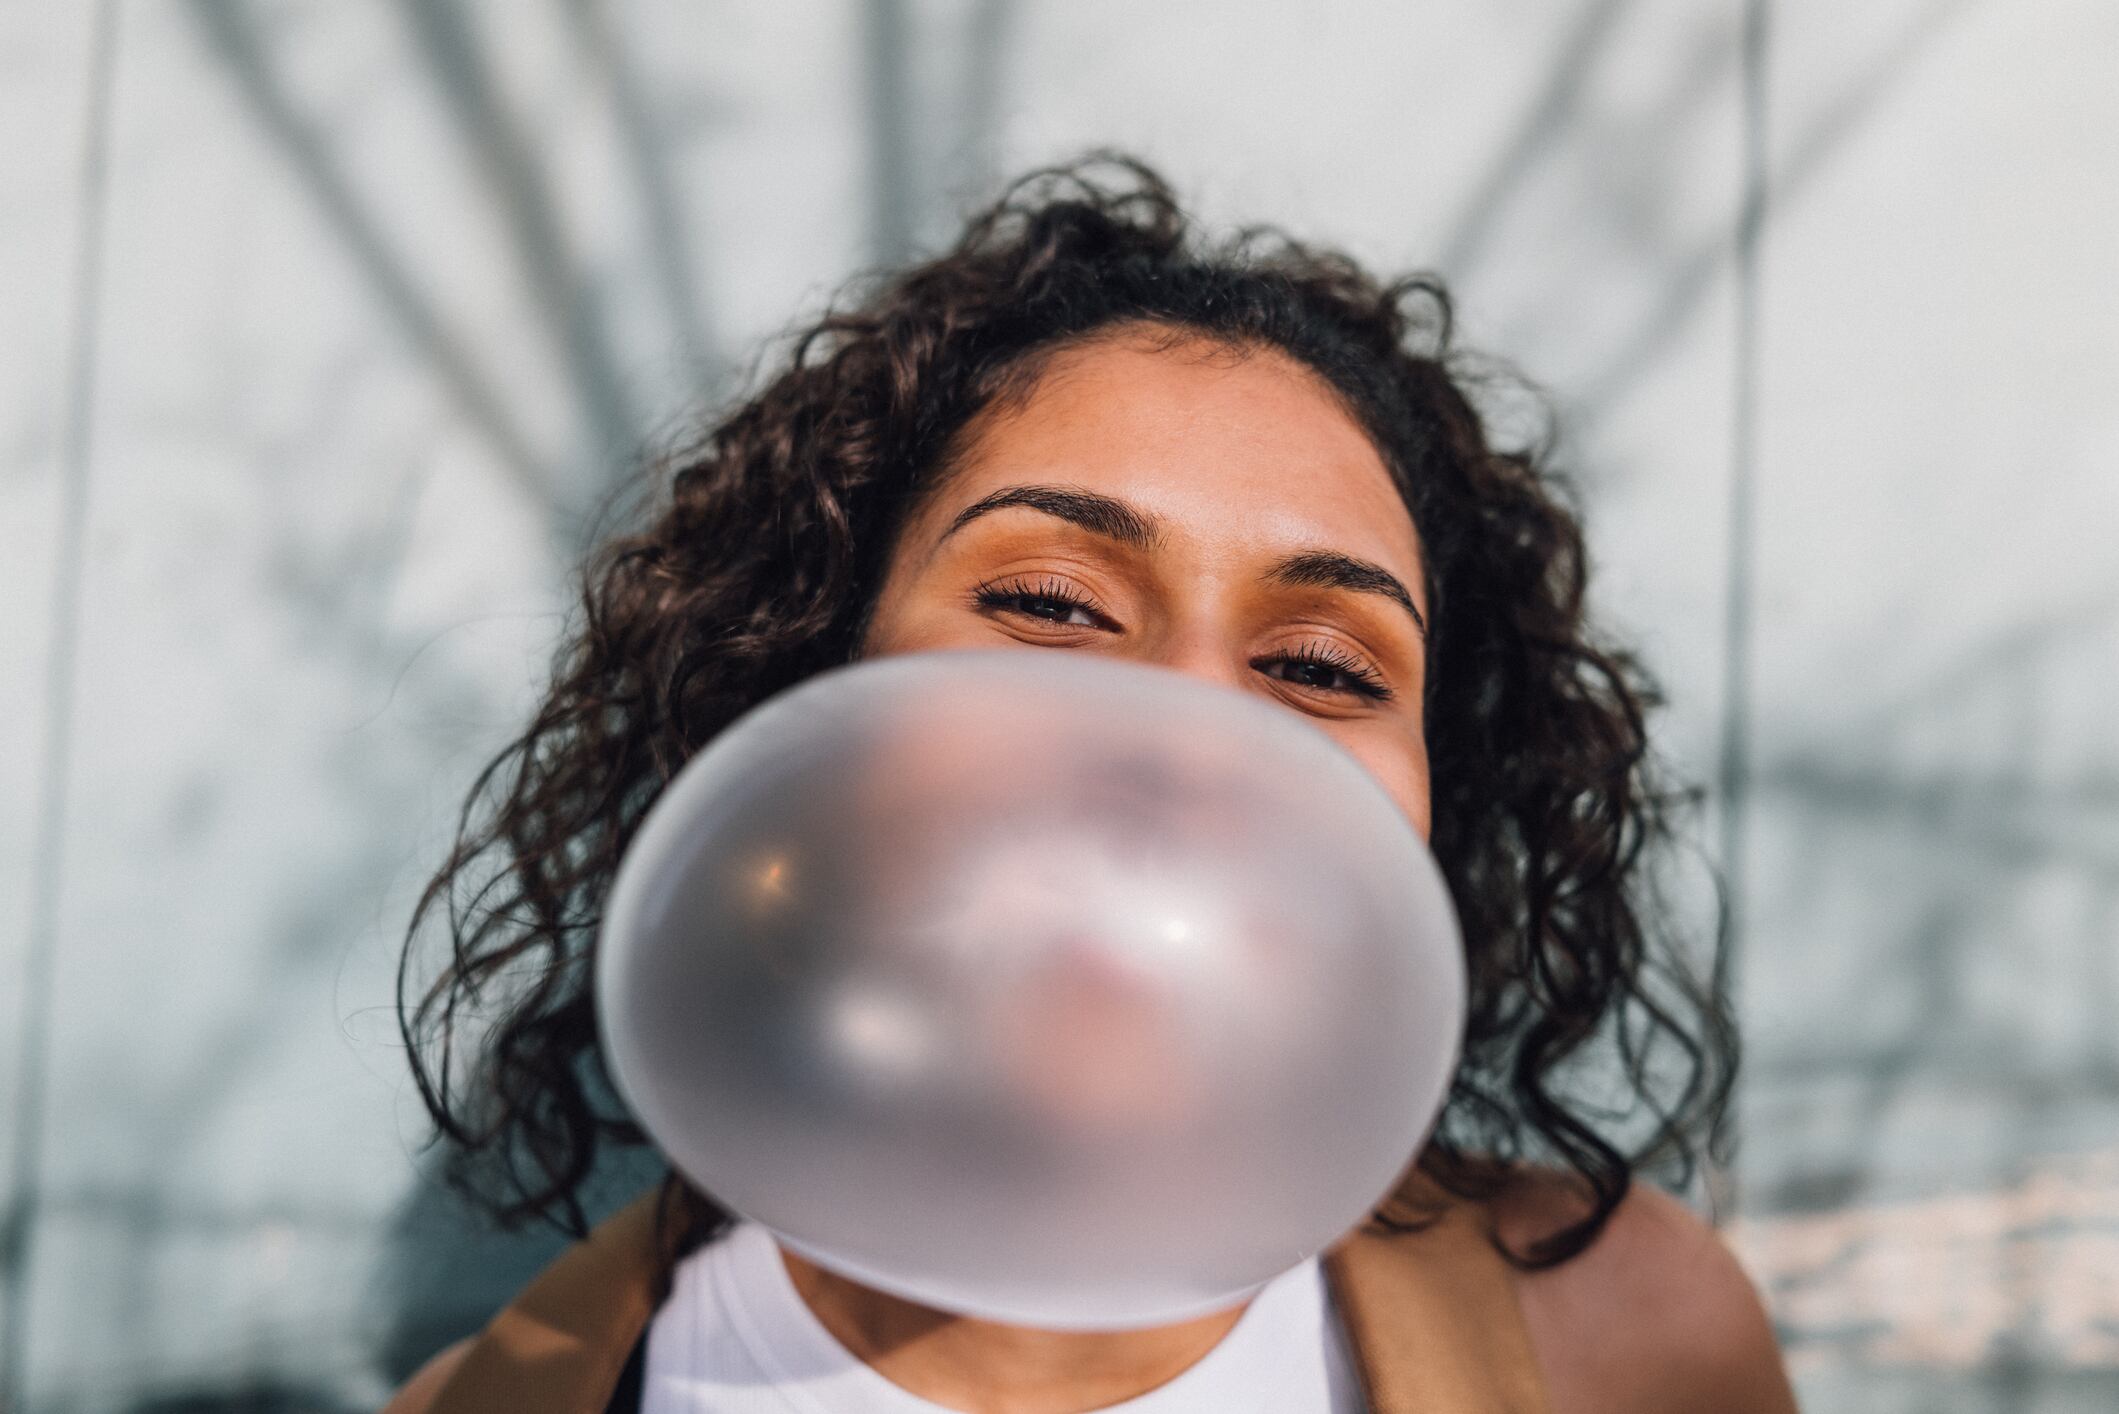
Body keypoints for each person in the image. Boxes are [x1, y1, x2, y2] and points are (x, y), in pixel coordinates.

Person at [386, 155, 1798, 1412]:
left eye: (1322, 665)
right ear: (814, 694)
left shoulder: (1635, 1345)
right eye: (1055, 604)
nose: (1186, 726)